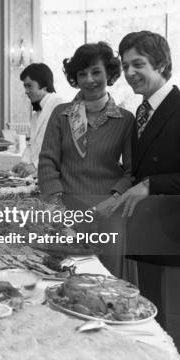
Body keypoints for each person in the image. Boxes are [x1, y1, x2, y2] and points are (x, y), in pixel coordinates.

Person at [112, 31, 180, 360]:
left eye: (138, 64)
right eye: (125, 65)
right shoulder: (140, 113)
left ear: (161, 63)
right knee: (151, 321)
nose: (130, 73)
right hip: (147, 233)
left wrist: (151, 184)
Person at [38, 42, 134, 280]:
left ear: (109, 74)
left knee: (108, 284)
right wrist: (56, 206)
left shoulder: (125, 119)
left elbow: (132, 171)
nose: (89, 79)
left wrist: (113, 200)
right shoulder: (62, 114)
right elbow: (48, 161)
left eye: (96, 72)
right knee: (65, 280)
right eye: (82, 74)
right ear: (75, 78)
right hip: (66, 211)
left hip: (108, 213)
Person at [15, 63, 63, 173]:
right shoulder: (35, 114)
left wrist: (35, 165)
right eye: (25, 86)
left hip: (54, 174)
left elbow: (60, 146)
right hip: (38, 177)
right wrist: (23, 162)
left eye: (29, 86)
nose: (26, 91)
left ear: (44, 85)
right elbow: (32, 144)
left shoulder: (59, 106)